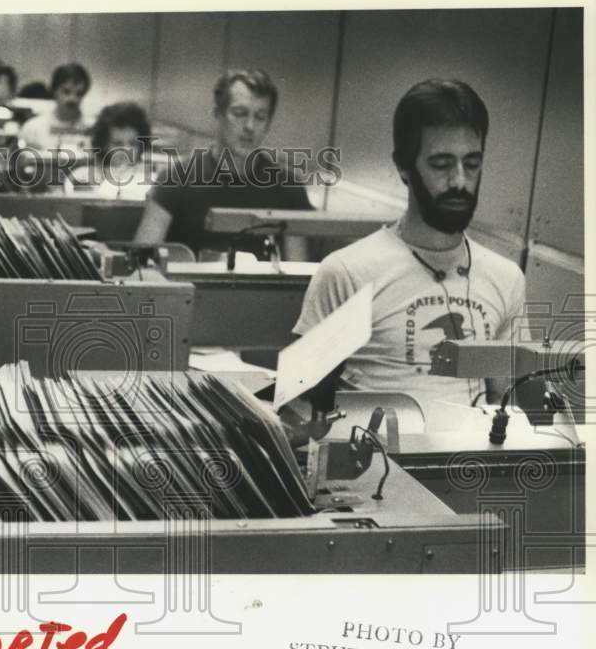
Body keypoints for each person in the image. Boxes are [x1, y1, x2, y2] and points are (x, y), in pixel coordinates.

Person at [291, 79, 526, 413]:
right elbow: (301, 408)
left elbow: (505, 403)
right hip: (372, 459)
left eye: (471, 164)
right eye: (441, 165)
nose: (459, 181)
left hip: (467, 461)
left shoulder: (506, 279)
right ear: (403, 167)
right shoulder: (349, 273)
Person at [133, 69, 313, 257]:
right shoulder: (175, 178)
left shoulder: (288, 187)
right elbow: (140, 263)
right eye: (240, 113)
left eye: (260, 117)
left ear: (268, 124)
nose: (250, 127)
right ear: (218, 114)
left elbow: (297, 270)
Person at [85, 102, 155, 200]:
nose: (126, 150)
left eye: (133, 144)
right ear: (104, 145)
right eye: (117, 144)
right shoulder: (83, 177)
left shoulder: (152, 184)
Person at [18, 62, 93, 153]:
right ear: (54, 91)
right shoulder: (33, 128)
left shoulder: (93, 129)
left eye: (79, 93)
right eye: (66, 91)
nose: (73, 98)